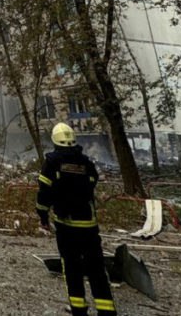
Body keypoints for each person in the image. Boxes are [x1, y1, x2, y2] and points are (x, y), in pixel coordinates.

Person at [36, 123, 116, 316]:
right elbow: (92, 183)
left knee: (71, 268)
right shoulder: (85, 162)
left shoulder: (52, 162)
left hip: (66, 225)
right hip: (89, 225)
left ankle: (79, 309)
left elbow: (44, 193)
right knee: (96, 268)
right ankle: (107, 310)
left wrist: (43, 216)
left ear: (54, 141)